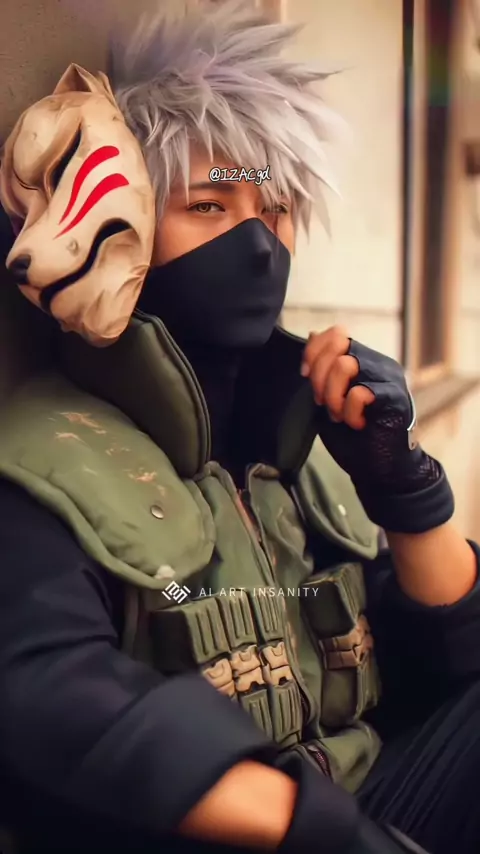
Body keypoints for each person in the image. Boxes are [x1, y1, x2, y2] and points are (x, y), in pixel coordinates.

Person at [0, 2, 479, 853]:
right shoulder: (47, 460)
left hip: (374, 793)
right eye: (210, 206)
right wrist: (321, 830)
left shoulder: (299, 444)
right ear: (123, 225)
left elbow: (451, 661)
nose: (260, 246)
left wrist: (405, 488)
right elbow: (50, 695)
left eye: (278, 206)